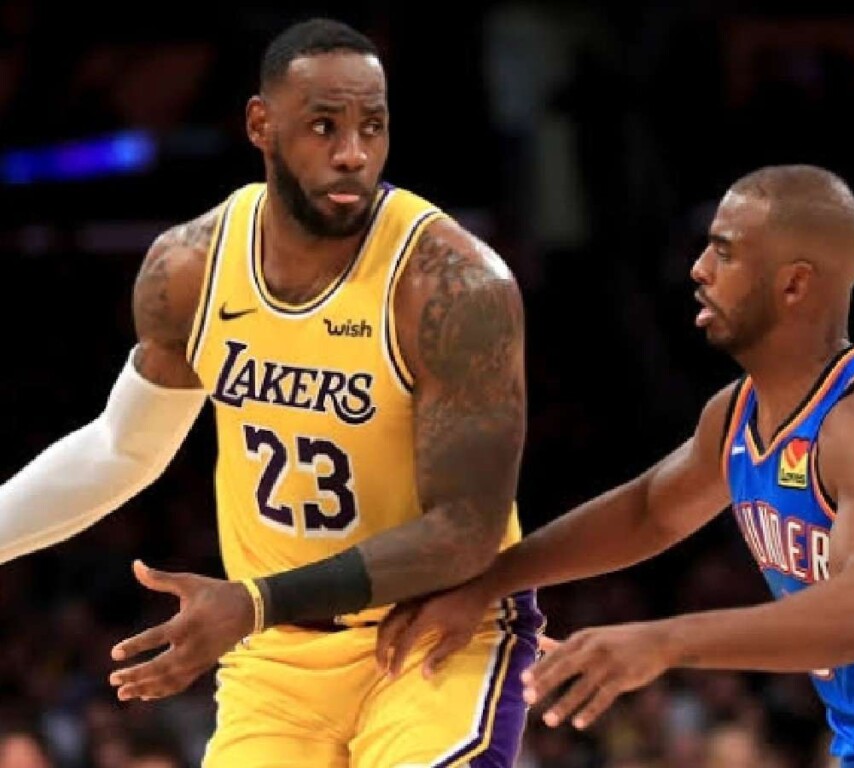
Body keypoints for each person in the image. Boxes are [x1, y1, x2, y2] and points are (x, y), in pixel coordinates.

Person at [0, 16, 542, 768]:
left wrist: (254, 600)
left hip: (435, 635)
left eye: (372, 127)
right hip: (280, 658)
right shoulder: (188, 269)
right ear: (261, 123)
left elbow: (466, 531)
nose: (353, 154)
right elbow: (121, 448)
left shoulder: (453, 285)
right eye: (324, 126)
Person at [375, 164, 854, 767]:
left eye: (725, 250)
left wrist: (663, 643)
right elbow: (650, 511)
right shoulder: (737, 414)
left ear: (794, 284)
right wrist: (489, 582)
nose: (698, 268)